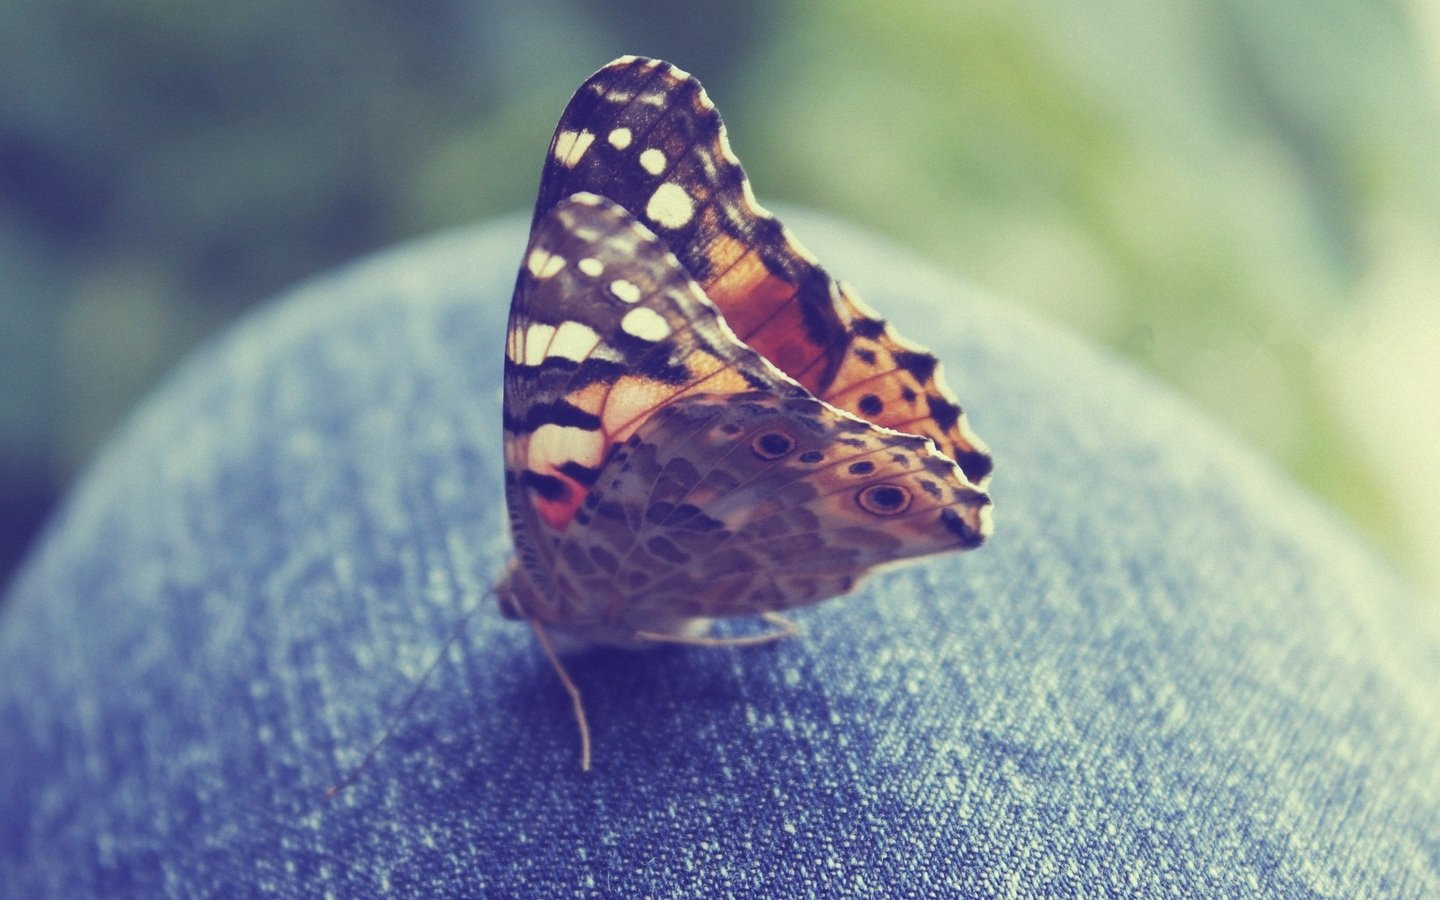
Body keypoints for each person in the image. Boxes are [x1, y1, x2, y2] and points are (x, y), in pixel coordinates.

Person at [3, 213, 1436, 896]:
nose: (508, 605)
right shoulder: (563, 575)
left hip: (801, 488)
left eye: (520, 600)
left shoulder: (575, 560)